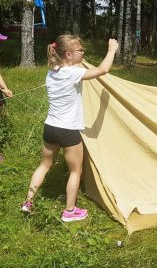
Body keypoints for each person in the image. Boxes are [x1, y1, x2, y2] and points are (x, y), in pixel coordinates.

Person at [21, 35, 119, 222]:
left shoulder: (52, 72)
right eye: (80, 50)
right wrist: (111, 50)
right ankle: (70, 211)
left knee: (44, 165)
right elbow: (104, 69)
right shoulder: (72, 73)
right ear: (68, 54)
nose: (83, 53)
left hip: (50, 127)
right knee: (76, 171)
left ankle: (28, 202)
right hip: (68, 130)